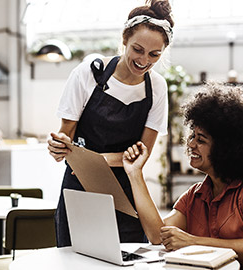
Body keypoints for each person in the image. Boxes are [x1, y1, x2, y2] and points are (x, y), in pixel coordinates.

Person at [123, 82, 243, 269]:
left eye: (201, 139)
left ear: (228, 148)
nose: (191, 144)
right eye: (192, 136)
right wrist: (135, 173)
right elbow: (158, 236)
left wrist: (193, 241)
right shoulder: (197, 194)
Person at [47, 0, 173, 247]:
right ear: (124, 39)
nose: (144, 60)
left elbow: (142, 154)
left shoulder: (157, 87)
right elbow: (65, 139)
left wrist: (96, 159)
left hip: (127, 191)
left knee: (128, 259)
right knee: (76, 260)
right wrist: (58, 147)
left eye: (154, 54)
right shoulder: (89, 73)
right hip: (80, 186)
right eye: (137, 49)